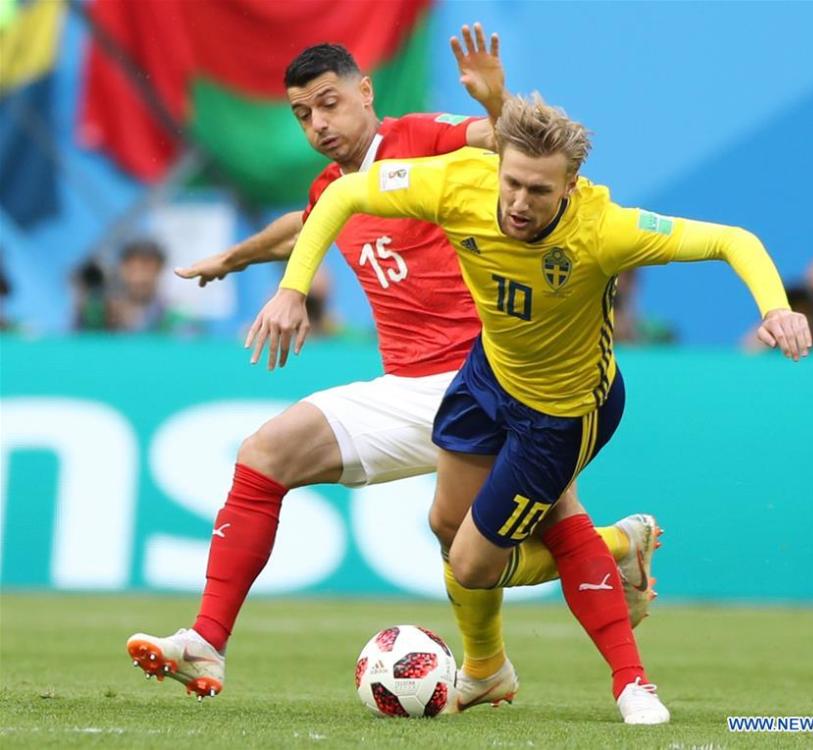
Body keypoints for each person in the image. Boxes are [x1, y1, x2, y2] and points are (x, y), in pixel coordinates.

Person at [127, 28, 661, 708]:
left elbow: (510, 152)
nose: (318, 124)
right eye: (302, 114)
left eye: (328, 104)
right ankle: (207, 640)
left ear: (365, 92)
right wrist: (236, 260)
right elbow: (306, 223)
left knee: (524, 529)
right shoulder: (334, 188)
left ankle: (626, 674)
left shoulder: (425, 138)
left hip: (491, 375)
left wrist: (496, 103)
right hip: (409, 387)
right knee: (266, 454)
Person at [248, 94, 812, 724]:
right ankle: (492, 667)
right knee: (446, 527)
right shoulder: (459, 182)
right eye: (512, 183)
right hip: (486, 379)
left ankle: (632, 682)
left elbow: (732, 239)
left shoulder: (606, 230)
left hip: (562, 413)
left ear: (570, 186)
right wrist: (293, 289)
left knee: (470, 561)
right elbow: (343, 197)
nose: (518, 202)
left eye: (539, 191)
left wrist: (774, 306)